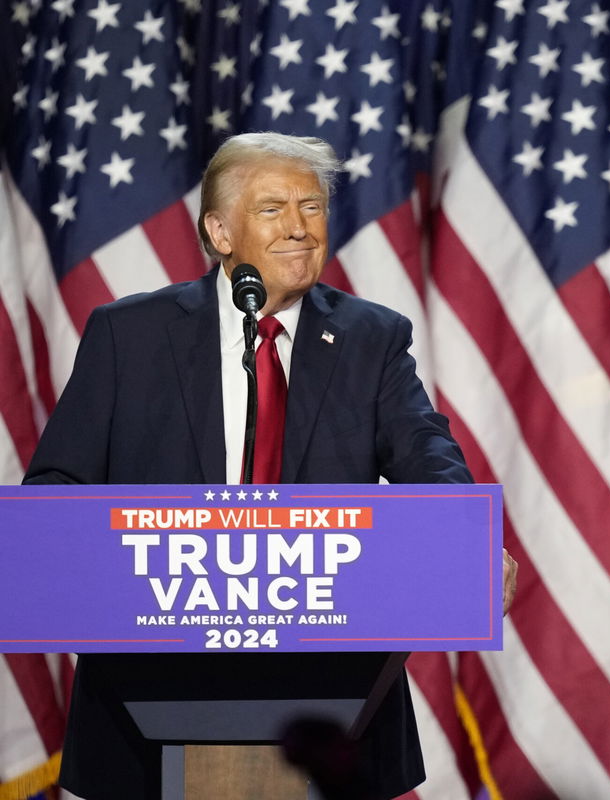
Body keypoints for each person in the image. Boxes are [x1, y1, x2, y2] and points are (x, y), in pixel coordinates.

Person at [24, 132, 517, 799]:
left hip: (331, 707)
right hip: (147, 696)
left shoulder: (371, 338)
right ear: (219, 232)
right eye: (272, 209)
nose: (300, 228)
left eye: (311, 208)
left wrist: (467, 537)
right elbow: (58, 487)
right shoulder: (129, 335)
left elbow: (427, 454)